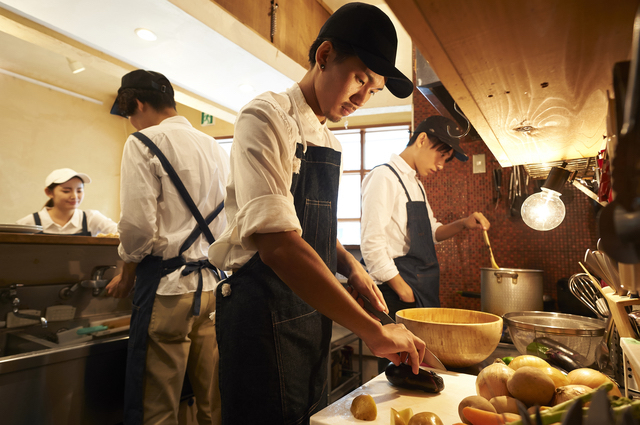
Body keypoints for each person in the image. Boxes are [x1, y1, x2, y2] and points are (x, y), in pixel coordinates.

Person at [208, 3, 426, 424]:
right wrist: (372, 328)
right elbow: (279, 246)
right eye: (360, 79)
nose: (363, 98)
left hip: (308, 315)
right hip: (260, 315)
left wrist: (350, 266)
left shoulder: (330, 141)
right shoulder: (266, 117)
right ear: (324, 56)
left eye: (374, 90)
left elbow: (307, 228)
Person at [105, 69, 229, 425]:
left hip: (167, 290)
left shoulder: (142, 142)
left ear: (139, 104)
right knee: (212, 401)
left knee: (155, 407)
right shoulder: (216, 148)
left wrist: (127, 270)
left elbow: (138, 227)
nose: (131, 123)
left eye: (129, 114)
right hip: (214, 288)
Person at [360, 115, 491, 322]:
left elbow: (433, 233)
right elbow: (371, 244)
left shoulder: (416, 184)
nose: (441, 165)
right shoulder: (383, 176)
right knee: (400, 355)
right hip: (396, 291)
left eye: (446, 160)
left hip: (418, 289)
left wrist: (464, 223)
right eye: (442, 155)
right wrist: (403, 291)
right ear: (422, 140)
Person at [16, 168, 118, 236]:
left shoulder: (91, 218)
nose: (74, 196)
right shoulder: (30, 223)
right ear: (49, 192)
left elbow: (123, 235)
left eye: (79, 191)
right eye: (66, 191)